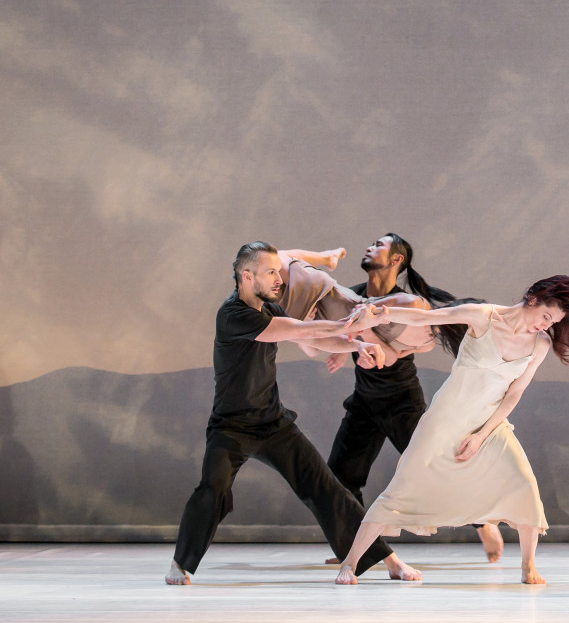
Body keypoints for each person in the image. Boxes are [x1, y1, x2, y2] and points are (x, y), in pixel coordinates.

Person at [333, 268, 569, 586]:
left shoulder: (540, 343)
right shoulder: (483, 316)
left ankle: (528, 566)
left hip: (490, 424)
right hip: (446, 418)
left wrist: (481, 435)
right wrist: (380, 314)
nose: (546, 325)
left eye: (553, 323)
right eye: (546, 316)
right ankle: (349, 563)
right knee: (400, 489)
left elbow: (514, 393)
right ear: (533, 298)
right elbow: (426, 319)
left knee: (524, 484)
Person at [165, 242, 420, 585]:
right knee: (212, 488)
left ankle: (388, 559)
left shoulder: (266, 308)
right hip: (232, 427)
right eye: (270, 272)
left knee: (326, 488)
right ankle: (180, 564)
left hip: (273, 424)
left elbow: (320, 339)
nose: (278, 279)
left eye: (277, 271)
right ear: (246, 275)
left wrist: (357, 344)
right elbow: (302, 331)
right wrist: (351, 324)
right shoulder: (233, 315)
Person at [322, 233, 506, 562]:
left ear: (396, 261)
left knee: (434, 467)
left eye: (378, 245)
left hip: (400, 401)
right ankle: (356, 544)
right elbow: (344, 332)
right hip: (364, 400)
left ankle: (481, 520)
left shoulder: (406, 303)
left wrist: (384, 345)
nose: (369, 247)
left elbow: (421, 344)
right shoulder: (355, 296)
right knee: (340, 475)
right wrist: (341, 349)